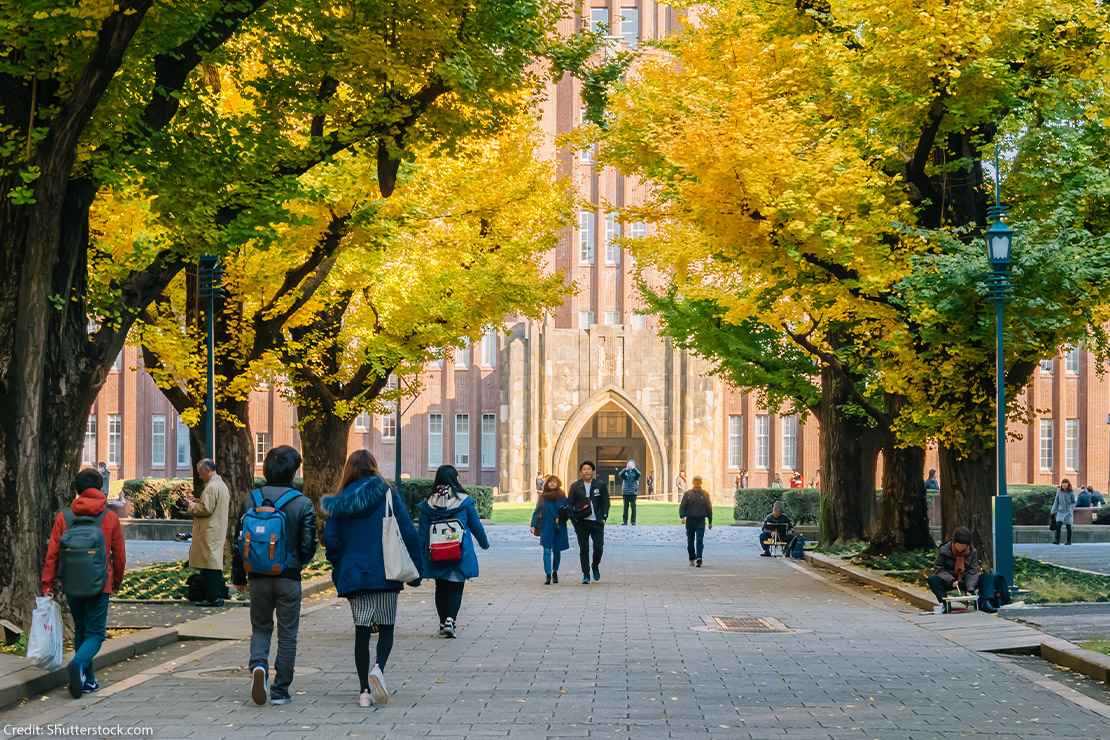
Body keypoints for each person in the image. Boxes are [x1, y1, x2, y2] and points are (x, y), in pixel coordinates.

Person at [323, 450, 422, 707]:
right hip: (386, 571)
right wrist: (417, 569)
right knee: (386, 626)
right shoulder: (387, 492)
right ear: (374, 467)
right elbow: (408, 532)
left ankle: (364, 691)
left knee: (362, 631)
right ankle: (379, 669)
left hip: (354, 573)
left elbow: (331, 540)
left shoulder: (339, 501)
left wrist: (339, 564)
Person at [232, 445, 317, 707]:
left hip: (257, 576)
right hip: (288, 577)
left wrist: (239, 576)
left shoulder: (251, 499)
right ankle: (280, 690)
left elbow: (238, 541)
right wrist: (296, 564)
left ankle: (258, 667)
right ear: (293, 471)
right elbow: (308, 545)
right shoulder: (302, 503)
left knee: (261, 627)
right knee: (288, 633)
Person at [41, 468, 126, 698]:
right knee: (96, 633)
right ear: (100, 488)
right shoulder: (109, 517)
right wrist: (117, 580)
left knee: (81, 629)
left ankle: (87, 680)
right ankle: (78, 664)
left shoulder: (64, 517)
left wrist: (47, 583)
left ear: (77, 490)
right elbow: (119, 554)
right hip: (100, 583)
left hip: (72, 582)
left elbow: (53, 553)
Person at [417, 464, 490, 639]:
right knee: (456, 586)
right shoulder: (463, 502)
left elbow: (422, 533)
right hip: (458, 552)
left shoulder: (429, 503)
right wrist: (484, 543)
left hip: (436, 553)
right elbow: (476, 525)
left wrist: (420, 555)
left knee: (440, 587)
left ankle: (443, 622)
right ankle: (451, 620)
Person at [186, 458, 230, 606]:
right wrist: (199, 501)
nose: (199, 476)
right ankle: (214, 596)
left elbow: (206, 509)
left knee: (209, 565)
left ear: (207, 470)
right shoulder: (221, 485)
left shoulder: (211, 487)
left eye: (200, 473)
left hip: (209, 531)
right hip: (216, 529)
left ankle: (213, 597)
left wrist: (192, 505)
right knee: (212, 564)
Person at [568, 460, 609, 584]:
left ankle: (595, 565)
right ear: (581, 472)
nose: (586, 471)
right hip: (581, 522)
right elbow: (569, 504)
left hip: (596, 522)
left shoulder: (600, 485)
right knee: (584, 549)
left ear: (593, 471)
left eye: (589, 469)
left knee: (598, 547)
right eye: (584, 469)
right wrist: (574, 521)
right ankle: (586, 574)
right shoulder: (575, 486)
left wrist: (604, 516)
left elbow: (606, 502)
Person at [926, 527, 981, 613]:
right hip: (950, 580)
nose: (961, 548)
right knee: (933, 580)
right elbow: (939, 568)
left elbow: (972, 571)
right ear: (954, 542)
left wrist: (970, 588)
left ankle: (982, 603)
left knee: (984, 578)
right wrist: (951, 580)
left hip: (965, 579)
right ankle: (945, 604)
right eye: (959, 545)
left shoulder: (972, 552)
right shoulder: (944, 550)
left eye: (964, 546)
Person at [531, 475, 570, 584]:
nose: (552, 484)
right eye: (550, 482)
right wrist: (533, 525)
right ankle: (548, 574)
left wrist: (564, 515)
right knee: (546, 550)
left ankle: (555, 571)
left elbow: (568, 511)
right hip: (546, 526)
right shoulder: (543, 497)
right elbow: (537, 511)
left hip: (559, 526)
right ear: (547, 484)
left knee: (557, 551)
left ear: (558, 483)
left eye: (554, 482)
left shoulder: (562, 496)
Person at [679, 476, 713, 567]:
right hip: (690, 520)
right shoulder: (687, 494)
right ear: (693, 483)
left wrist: (710, 521)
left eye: (699, 482)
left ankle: (699, 558)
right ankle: (691, 557)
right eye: (695, 482)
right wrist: (682, 517)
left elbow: (709, 508)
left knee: (699, 540)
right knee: (690, 541)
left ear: (701, 483)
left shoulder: (705, 494)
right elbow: (682, 506)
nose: (697, 483)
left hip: (701, 520)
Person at [1051, 479, 1077, 546]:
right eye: (1063, 483)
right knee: (1058, 525)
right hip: (1060, 511)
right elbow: (1056, 501)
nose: (1064, 485)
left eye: (1066, 483)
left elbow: (1074, 502)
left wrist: (1071, 507)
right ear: (1061, 484)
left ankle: (1069, 541)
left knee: (1068, 526)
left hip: (1068, 512)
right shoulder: (1059, 491)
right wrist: (1053, 510)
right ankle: (1057, 540)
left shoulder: (1071, 492)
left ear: (1068, 485)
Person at [617, 459, 642, 526]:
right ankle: (625, 521)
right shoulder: (625, 472)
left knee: (633, 508)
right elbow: (620, 474)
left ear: (633, 465)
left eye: (631, 464)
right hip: (625, 493)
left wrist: (634, 469)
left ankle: (633, 521)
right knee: (625, 508)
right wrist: (625, 469)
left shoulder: (635, 473)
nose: (630, 465)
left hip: (633, 493)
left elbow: (639, 474)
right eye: (629, 464)